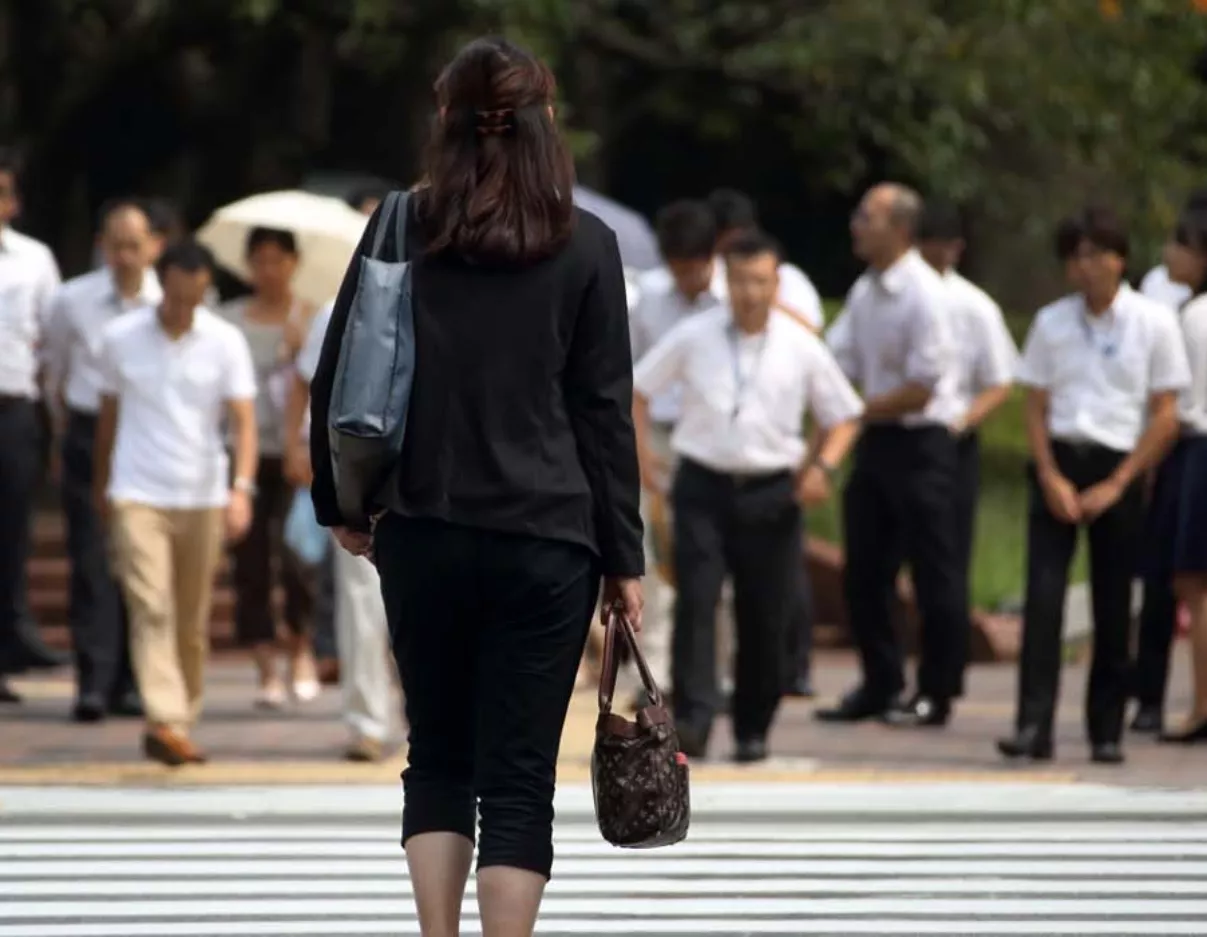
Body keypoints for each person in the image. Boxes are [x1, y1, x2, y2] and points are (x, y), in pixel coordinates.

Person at [308, 37, 644, 936]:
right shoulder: (588, 245)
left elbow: (340, 369)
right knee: (520, 776)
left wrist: (337, 501)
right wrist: (626, 559)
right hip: (549, 538)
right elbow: (603, 412)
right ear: (546, 128)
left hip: (421, 526)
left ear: (444, 124)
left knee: (439, 755)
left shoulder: (401, 226)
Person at [634, 228, 862, 762]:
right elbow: (638, 389)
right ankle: (692, 719)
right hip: (702, 485)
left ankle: (754, 724)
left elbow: (846, 414)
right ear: (725, 281)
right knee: (697, 601)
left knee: (765, 611)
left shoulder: (800, 344)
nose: (749, 293)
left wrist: (821, 467)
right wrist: (643, 462)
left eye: (759, 281)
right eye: (738, 281)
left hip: (770, 490)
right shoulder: (696, 334)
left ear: (776, 282)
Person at [997, 205, 1189, 765]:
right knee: (1044, 600)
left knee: (1111, 604)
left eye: (1094, 256)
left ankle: (1105, 727)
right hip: (1062, 459)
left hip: (1119, 464)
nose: (1084, 269)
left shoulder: (1151, 322)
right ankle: (1033, 724)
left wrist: (1122, 480)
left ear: (1118, 259)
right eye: (1074, 258)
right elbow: (1033, 405)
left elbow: (1165, 413)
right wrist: (1049, 474)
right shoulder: (1053, 322)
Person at [94, 240, 258, 766]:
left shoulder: (225, 340)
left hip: (202, 493)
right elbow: (107, 419)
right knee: (151, 605)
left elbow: (244, 421)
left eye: (196, 294)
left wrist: (242, 488)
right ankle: (164, 717)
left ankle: (180, 718)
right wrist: (103, 485)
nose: (185, 304)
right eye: (178, 292)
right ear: (162, 281)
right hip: (138, 490)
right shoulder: (121, 338)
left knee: (190, 618)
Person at [816, 183, 967, 728]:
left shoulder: (925, 293)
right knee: (864, 572)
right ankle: (881, 683)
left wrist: (856, 409)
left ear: (901, 229)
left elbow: (923, 387)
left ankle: (936, 690)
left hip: (921, 441)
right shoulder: (866, 291)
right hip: (878, 441)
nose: (856, 225)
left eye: (867, 216)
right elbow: (835, 360)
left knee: (934, 573)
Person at [42, 200, 161, 722]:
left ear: (153, 245)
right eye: (116, 246)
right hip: (90, 434)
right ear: (101, 245)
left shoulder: (170, 297)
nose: (125, 256)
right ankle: (93, 681)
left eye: (135, 245)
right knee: (91, 561)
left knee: (140, 564)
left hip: (148, 436)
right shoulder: (72, 299)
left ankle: (135, 683)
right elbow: (55, 370)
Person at [283, 299, 397, 762]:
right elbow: (311, 382)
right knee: (362, 600)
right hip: (362, 468)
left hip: (438, 470)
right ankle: (369, 723)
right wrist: (302, 448)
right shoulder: (343, 305)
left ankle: (429, 712)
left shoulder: (461, 289)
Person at [916, 201, 1019, 698]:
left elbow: (1000, 382)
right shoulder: (897, 293)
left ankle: (944, 675)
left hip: (949, 438)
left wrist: (960, 422)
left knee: (946, 561)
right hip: (903, 436)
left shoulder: (974, 305)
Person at [628, 199, 723, 700]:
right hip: (659, 435)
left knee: (713, 564)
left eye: (695, 269)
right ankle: (654, 675)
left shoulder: (738, 295)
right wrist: (641, 455)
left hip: (713, 439)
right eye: (678, 269)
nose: (686, 280)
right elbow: (632, 381)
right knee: (653, 559)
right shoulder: (651, 298)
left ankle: (714, 675)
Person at [219, 227, 318, 708]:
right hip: (245, 456)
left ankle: (300, 650)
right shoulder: (228, 320)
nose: (268, 270)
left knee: (299, 558)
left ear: (294, 263)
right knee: (251, 562)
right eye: (258, 260)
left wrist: (301, 350)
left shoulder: (313, 317)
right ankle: (265, 666)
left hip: (297, 457)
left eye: (277, 259)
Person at [1138, 205, 1207, 744]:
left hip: (1195, 451)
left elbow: (1174, 403)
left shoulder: (1192, 317)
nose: (1169, 256)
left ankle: (1202, 704)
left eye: (1180, 245)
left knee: (1194, 582)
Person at [0, 145, 65, 705]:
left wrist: (53, 421)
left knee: (13, 527)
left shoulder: (34, 259)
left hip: (14, 405)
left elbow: (52, 343)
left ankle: (13, 636)